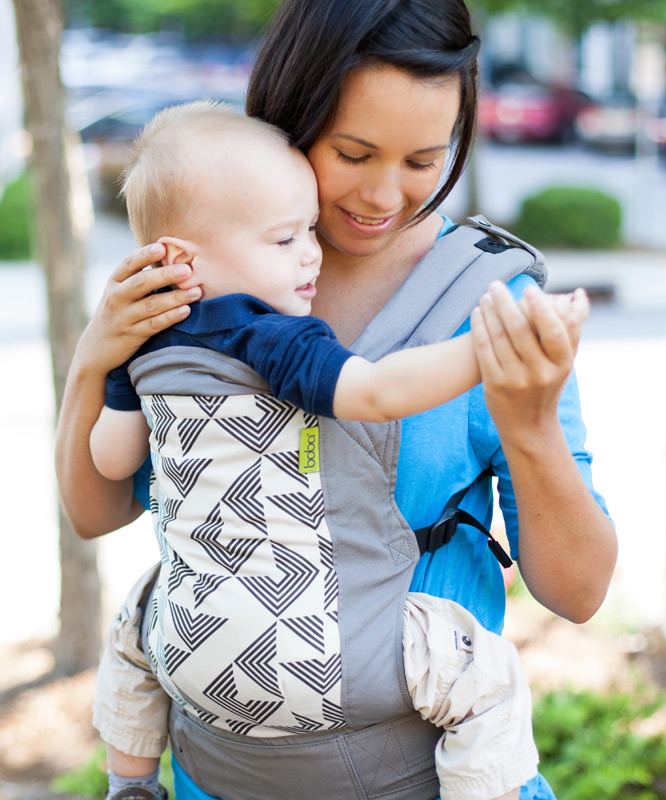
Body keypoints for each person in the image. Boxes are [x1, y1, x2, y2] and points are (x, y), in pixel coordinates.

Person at [55, 0, 618, 798]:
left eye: (424, 161)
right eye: (354, 153)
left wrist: (529, 428)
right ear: (291, 116)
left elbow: (579, 592)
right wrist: (96, 357)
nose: (385, 195)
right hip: (218, 774)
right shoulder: (208, 280)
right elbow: (94, 511)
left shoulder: (485, 300)